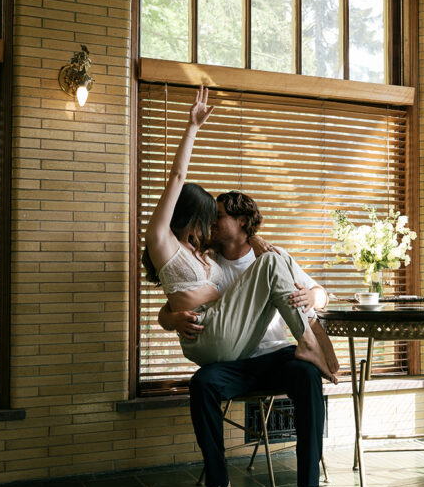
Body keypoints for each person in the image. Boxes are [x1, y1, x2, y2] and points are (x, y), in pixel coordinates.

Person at [158, 187, 332, 487]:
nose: (211, 222)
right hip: (236, 361)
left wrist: (311, 297)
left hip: (279, 354)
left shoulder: (272, 255)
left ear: (241, 221)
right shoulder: (207, 263)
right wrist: (172, 319)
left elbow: (322, 294)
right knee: (202, 383)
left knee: (307, 375)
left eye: (219, 215)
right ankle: (217, 486)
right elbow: (173, 303)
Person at [143, 86, 338, 381]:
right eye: (208, 217)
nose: (211, 224)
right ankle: (311, 343)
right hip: (208, 333)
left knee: (275, 260)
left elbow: (180, 297)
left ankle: (315, 344)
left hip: (234, 336)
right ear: (192, 215)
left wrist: (256, 240)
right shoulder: (163, 242)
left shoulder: (202, 252)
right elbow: (177, 177)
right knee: (272, 262)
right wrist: (192, 127)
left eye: (216, 218)